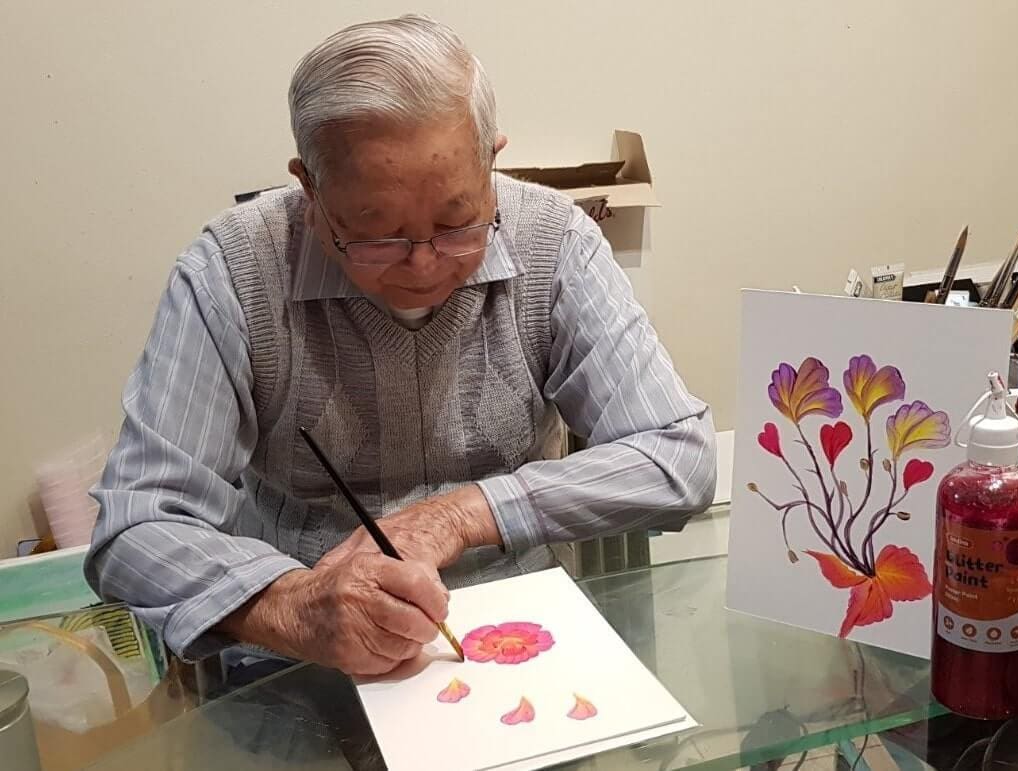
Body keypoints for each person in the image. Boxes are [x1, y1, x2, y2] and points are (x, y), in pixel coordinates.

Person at [85, 15, 715, 678]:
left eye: (456, 222)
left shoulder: (554, 243)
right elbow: (135, 526)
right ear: (310, 188)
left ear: (492, 161)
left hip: (514, 640)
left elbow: (680, 457)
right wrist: (296, 605)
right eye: (376, 234)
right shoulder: (233, 270)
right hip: (302, 660)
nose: (423, 265)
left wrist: (467, 512)